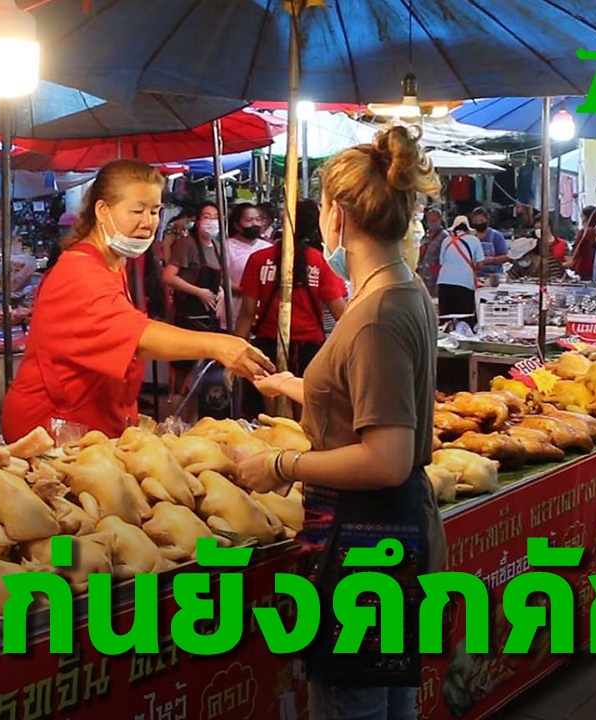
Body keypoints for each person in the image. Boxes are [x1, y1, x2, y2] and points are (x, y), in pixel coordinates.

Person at [237, 126, 446, 720]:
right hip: (389, 526)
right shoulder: (404, 290)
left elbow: (385, 458)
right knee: (390, 702)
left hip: (365, 534)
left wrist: (282, 464)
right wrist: (298, 387)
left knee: (351, 703)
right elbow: (371, 398)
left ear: (338, 214)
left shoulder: (376, 315)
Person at [1, 160, 273, 441]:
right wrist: (218, 345)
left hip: (94, 421)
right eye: (137, 210)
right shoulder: (78, 271)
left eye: (155, 211)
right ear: (102, 211)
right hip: (52, 426)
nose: (148, 222)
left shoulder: (112, 264)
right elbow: (135, 335)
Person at [235, 199, 347, 414]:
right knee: (306, 414)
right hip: (309, 350)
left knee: (272, 413)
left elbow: (247, 313)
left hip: (267, 347)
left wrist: (236, 350)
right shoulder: (321, 262)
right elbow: (341, 314)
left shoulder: (260, 259)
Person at [165, 202, 227, 398]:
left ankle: (197, 409)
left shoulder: (217, 246)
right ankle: (175, 407)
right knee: (183, 367)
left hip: (210, 317)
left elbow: (220, 279)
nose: (212, 222)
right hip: (187, 315)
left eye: (215, 217)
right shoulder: (186, 245)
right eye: (207, 217)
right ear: (198, 221)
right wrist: (198, 292)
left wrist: (221, 292)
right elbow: (168, 276)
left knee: (205, 369)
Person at [225, 202, 274, 321]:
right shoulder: (227, 247)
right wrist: (249, 291)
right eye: (249, 220)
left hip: (263, 311)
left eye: (257, 219)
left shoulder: (268, 247)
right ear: (237, 225)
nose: (254, 224)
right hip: (234, 310)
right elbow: (222, 280)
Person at [437, 216, 484, 320]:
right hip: (465, 283)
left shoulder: (446, 241)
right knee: (464, 318)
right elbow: (480, 264)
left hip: (444, 282)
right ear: (468, 229)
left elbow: (442, 262)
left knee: (445, 317)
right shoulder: (474, 240)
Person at [470, 207, 509, 281]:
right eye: (476, 221)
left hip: (494, 275)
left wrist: (490, 260)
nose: (479, 223)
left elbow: (506, 257)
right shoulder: (470, 237)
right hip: (475, 276)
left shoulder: (496, 236)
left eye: (481, 221)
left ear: (487, 220)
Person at [416, 207, 447, 296]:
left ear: (440, 220)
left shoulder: (445, 237)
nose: (432, 223)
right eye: (429, 221)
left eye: (434, 220)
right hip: (423, 274)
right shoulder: (427, 235)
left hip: (436, 277)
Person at [569, 206, 596, 280]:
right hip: (595, 266)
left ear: (585, 217)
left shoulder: (584, 232)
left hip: (584, 266)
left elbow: (577, 250)